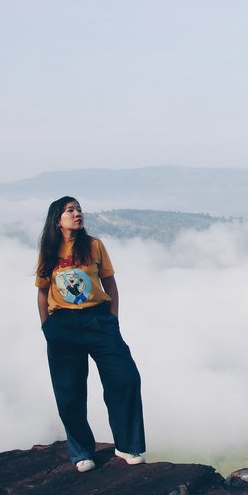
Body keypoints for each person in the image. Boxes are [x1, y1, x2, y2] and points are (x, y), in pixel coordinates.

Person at [35, 196, 146, 472]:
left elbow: (109, 282)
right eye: (70, 210)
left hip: (98, 320)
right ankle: (82, 451)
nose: (77, 214)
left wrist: (112, 318)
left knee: (125, 378)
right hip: (62, 325)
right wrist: (46, 325)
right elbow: (41, 289)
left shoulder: (94, 246)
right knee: (69, 391)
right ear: (57, 219)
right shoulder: (49, 250)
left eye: (79, 209)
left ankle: (127, 445)